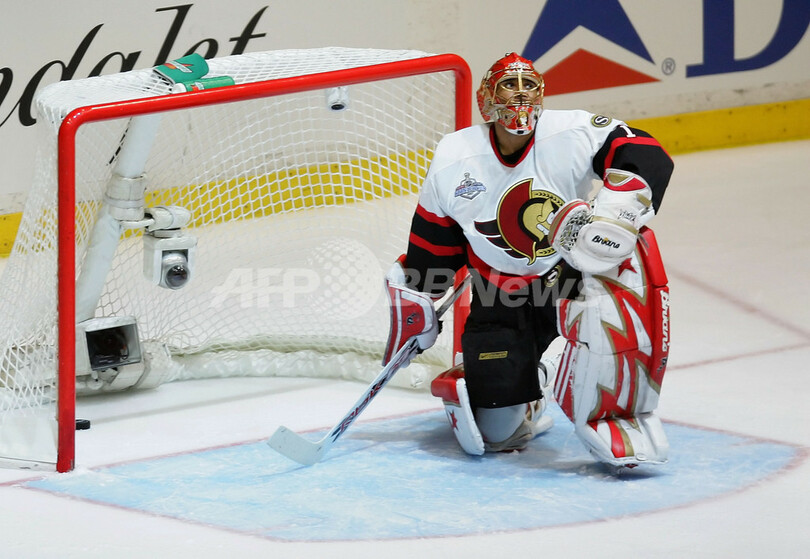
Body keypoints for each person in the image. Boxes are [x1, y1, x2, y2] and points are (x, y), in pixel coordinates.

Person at [383, 52, 674, 467]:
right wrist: (418, 298)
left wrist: (617, 211)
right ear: (486, 99)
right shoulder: (454, 155)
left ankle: (603, 401)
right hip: (499, 294)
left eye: (529, 86)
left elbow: (643, 150)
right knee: (497, 436)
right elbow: (434, 242)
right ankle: (536, 382)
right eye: (508, 85)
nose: (520, 95)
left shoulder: (570, 131)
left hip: (568, 280)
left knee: (614, 294)